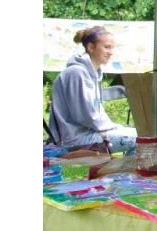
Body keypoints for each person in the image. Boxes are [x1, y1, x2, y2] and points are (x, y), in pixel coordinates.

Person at [48, 26, 137, 154]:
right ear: (91, 47)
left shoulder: (92, 73)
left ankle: (123, 170)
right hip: (75, 139)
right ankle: (125, 172)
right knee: (142, 139)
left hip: (88, 133)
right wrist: (115, 127)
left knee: (145, 136)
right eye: (107, 47)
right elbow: (87, 116)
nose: (111, 52)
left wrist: (116, 127)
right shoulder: (77, 73)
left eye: (112, 47)